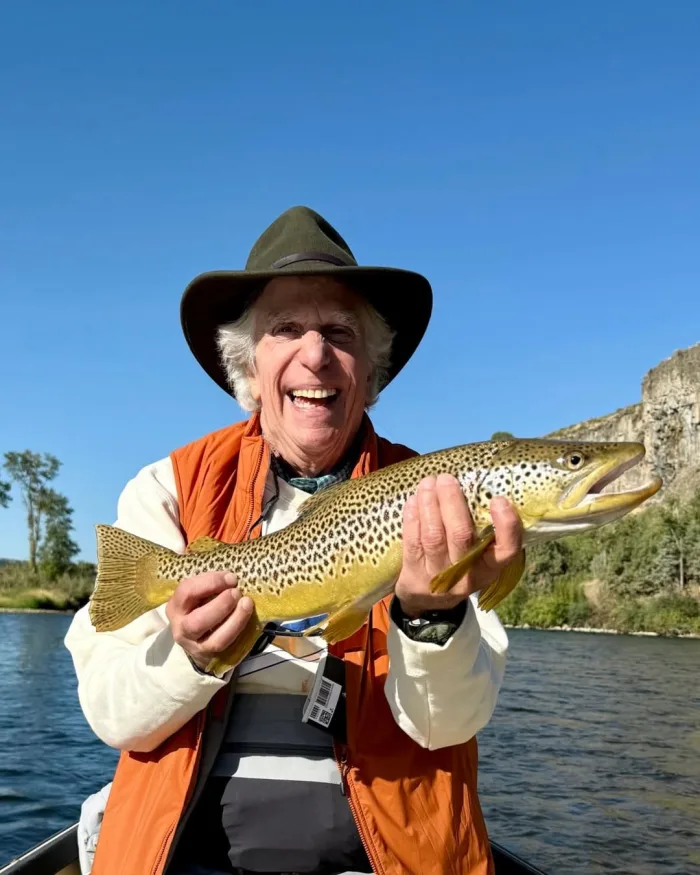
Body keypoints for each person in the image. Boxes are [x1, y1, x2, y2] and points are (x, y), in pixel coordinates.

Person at [65, 206, 523, 875]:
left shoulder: (442, 499)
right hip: (186, 853)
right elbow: (113, 716)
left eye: (339, 331)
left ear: (369, 370)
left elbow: (449, 725)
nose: (316, 354)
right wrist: (190, 658)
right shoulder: (167, 487)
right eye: (286, 329)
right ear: (248, 367)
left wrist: (432, 618)